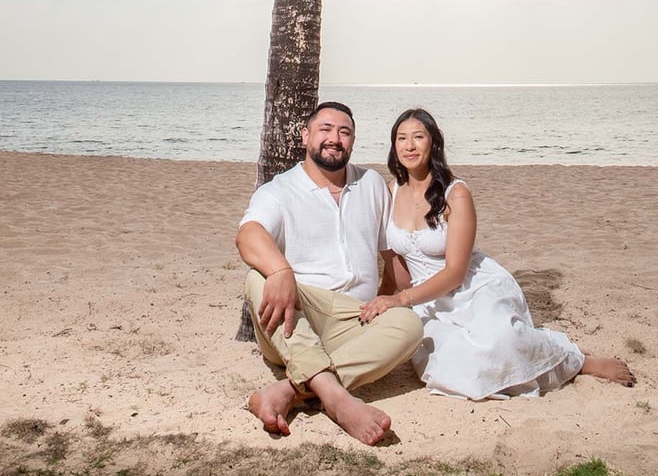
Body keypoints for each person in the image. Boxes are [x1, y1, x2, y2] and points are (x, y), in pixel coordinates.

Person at [359, 108, 636, 400]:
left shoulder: (456, 194)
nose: (409, 145)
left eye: (418, 137)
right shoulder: (390, 192)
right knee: (454, 367)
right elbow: (393, 264)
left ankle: (578, 361)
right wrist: (380, 301)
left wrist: (401, 299)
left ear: (434, 143)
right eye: (401, 138)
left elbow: (455, 272)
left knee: (502, 342)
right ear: (394, 146)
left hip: (470, 288)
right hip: (425, 301)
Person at [236, 101, 423, 444]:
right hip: (298, 319)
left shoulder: (371, 184)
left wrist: (394, 298)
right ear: (306, 135)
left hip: (357, 320)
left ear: (353, 140)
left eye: (344, 132)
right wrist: (279, 270)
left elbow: (391, 256)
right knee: (257, 278)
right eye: (325, 129)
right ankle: (337, 401)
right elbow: (248, 234)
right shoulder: (279, 190)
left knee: (409, 324)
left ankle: (292, 391)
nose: (334, 138)